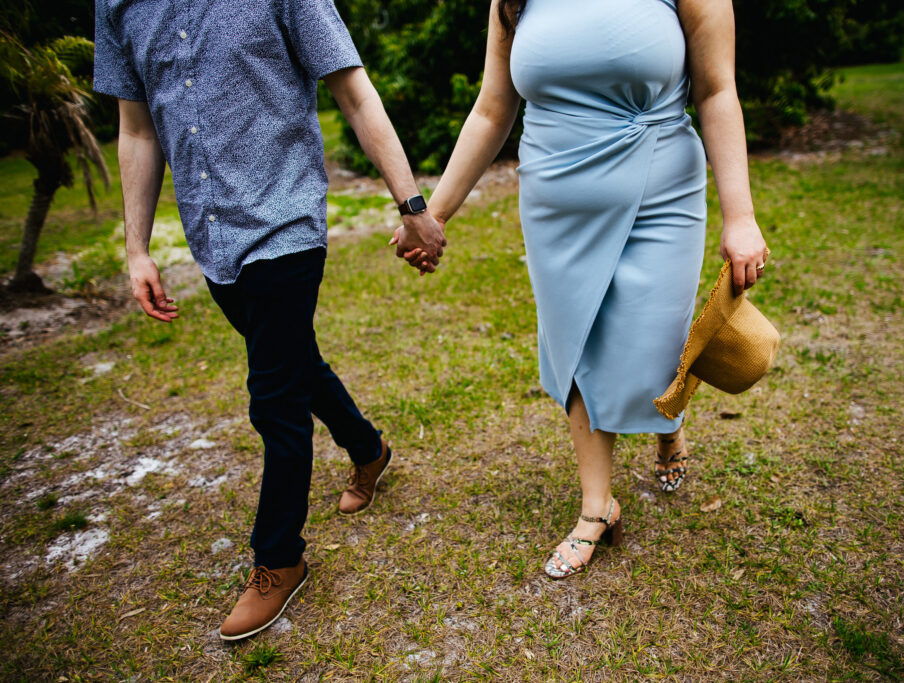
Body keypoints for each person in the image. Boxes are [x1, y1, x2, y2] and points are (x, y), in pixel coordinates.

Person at [94, 0, 446, 638]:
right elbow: (137, 128)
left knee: (273, 399)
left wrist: (412, 204)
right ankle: (369, 450)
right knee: (291, 363)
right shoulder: (115, 6)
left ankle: (279, 559)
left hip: (285, 220)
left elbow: (353, 89)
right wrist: (138, 248)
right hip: (212, 236)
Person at [415, 0, 768, 578]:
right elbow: (492, 107)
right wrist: (438, 214)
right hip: (557, 199)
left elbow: (716, 90)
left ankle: (668, 424)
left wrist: (741, 215)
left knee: (656, 344)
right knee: (576, 341)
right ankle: (596, 508)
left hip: (661, 190)